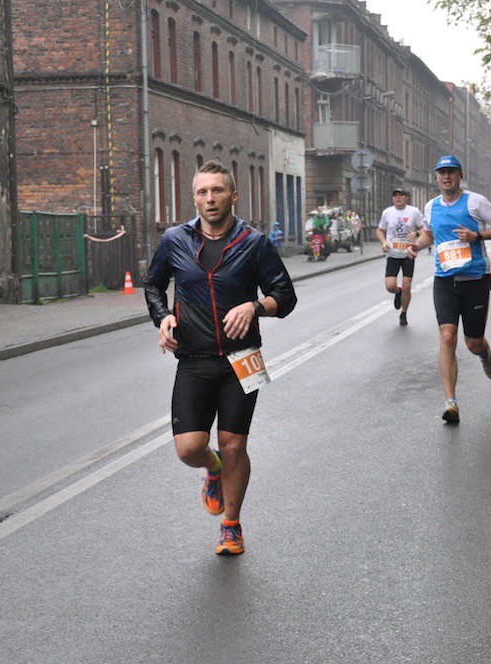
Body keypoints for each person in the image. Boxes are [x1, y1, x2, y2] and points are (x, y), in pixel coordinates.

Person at [144, 160, 297, 556]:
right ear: (194, 198)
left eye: (217, 190)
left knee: (233, 446)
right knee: (189, 449)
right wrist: (163, 318)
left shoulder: (254, 242)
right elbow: (153, 285)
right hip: (193, 358)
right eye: (202, 192)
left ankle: (231, 525)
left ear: (233, 196)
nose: (210, 198)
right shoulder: (175, 240)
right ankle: (211, 469)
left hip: (242, 358)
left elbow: (285, 296)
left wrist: (254, 306)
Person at [408, 155, 491, 423]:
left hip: (475, 280)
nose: (446, 177)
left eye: (451, 172)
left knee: (473, 342)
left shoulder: (475, 202)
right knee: (447, 336)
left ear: (460, 175)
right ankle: (450, 401)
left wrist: (478, 236)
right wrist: (416, 245)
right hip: (445, 281)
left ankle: (485, 354)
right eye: (442, 172)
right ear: (436, 177)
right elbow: (429, 233)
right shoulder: (431, 206)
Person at [377, 187, 424, 326]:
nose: (398, 198)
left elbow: (424, 229)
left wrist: (416, 233)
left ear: (406, 198)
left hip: (408, 253)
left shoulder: (414, 211)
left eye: (401, 195)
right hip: (392, 254)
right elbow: (380, 230)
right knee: (390, 286)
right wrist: (384, 242)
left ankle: (404, 313)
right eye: (395, 196)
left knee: (407, 285)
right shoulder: (387, 212)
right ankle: (398, 292)